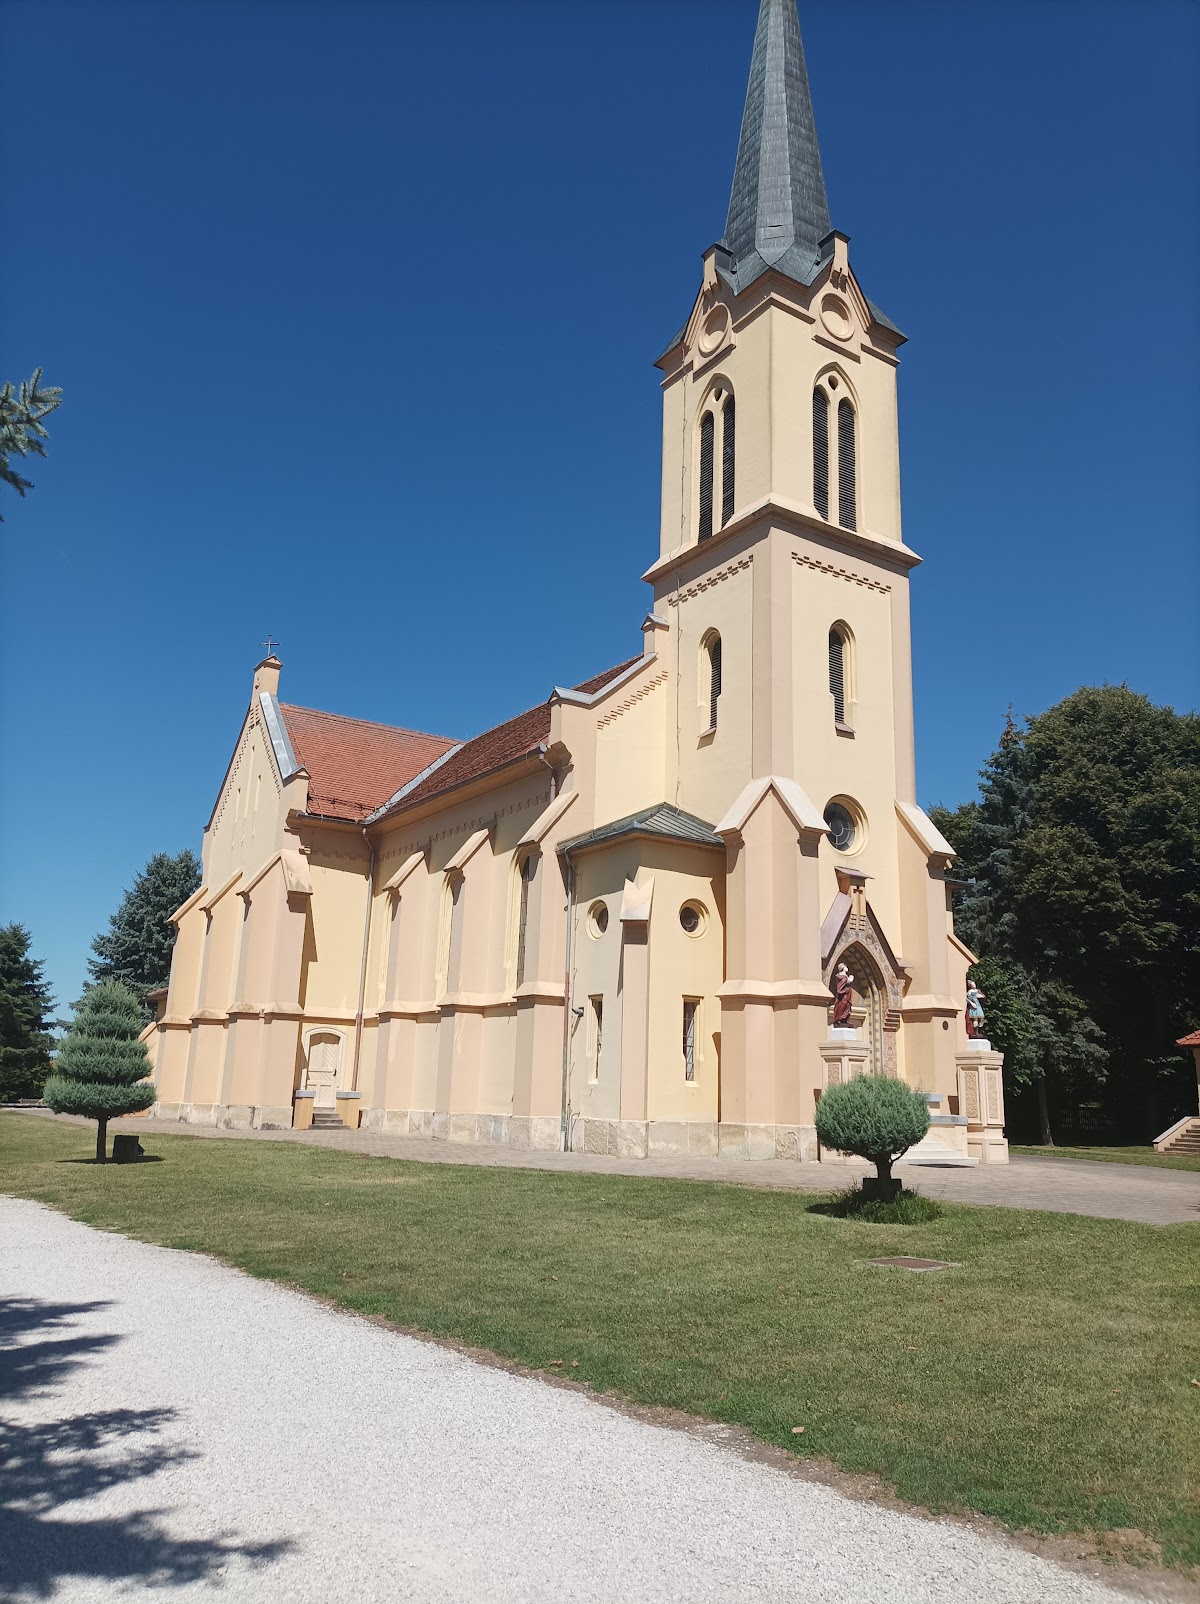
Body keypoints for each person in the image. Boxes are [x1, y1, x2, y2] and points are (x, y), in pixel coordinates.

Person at [832, 961, 855, 1028]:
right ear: (842, 967)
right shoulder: (840, 976)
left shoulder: (845, 976)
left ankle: (844, 1020)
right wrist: (850, 980)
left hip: (847, 995)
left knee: (847, 1006)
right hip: (843, 996)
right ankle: (839, 1019)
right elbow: (840, 988)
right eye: (846, 967)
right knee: (842, 1005)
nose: (847, 968)